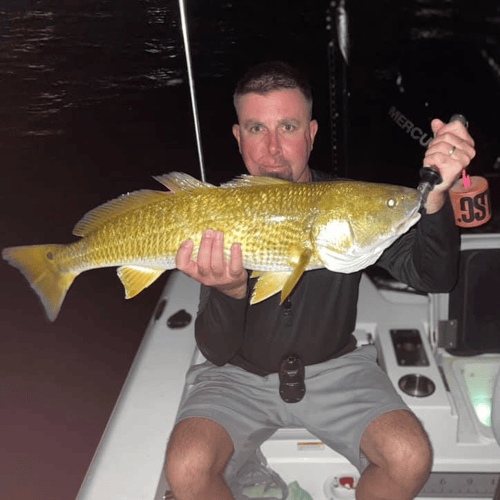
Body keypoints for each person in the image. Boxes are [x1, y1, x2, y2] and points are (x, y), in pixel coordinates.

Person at [165, 61, 476, 500]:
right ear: (238, 138)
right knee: (186, 466)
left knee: (410, 455)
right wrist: (230, 291)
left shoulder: (350, 205)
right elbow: (215, 350)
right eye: (256, 129)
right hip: (238, 375)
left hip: (335, 366)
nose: (272, 149)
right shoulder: (221, 213)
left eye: (288, 127)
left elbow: (434, 277)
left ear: (311, 134)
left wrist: (438, 196)